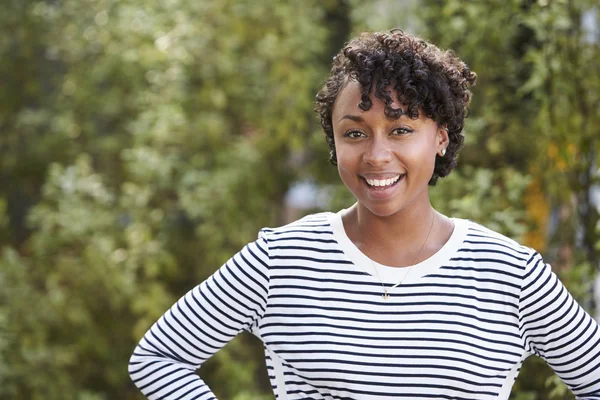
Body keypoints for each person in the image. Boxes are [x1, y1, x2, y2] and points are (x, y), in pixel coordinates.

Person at [129, 29, 600, 399]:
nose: (376, 155)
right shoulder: (280, 261)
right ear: (334, 141)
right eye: (355, 133)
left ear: (440, 137)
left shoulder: (510, 274)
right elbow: (156, 357)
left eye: (401, 129)